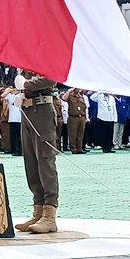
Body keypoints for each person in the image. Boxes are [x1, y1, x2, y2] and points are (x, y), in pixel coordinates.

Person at [13, 70, 60, 234]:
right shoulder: (25, 63)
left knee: (45, 164)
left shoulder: (45, 57)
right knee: (31, 164)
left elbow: (52, 78)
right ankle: (38, 211)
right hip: (27, 113)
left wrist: (26, 85)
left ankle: (49, 215)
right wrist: (22, 94)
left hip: (42, 112)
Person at [62, 88, 88, 154]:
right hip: (73, 117)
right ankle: (73, 148)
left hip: (81, 117)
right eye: (77, 88)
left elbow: (84, 107)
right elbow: (64, 98)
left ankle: (79, 148)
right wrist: (69, 91)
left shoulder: (81, 97)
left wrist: (85, 118)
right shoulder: (70, 96)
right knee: (73, 134)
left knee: (80, 134)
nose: (79, 90)